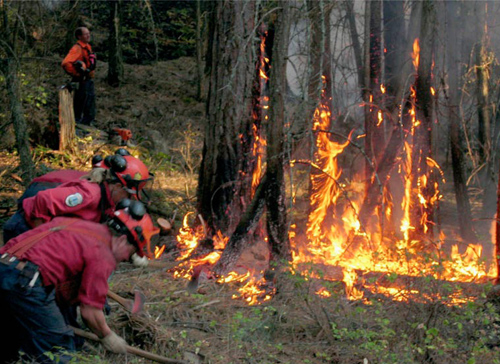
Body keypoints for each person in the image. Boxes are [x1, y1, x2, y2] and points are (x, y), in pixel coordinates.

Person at [0, 200, 159, 363]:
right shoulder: (104, 254)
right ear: (123, 240)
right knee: (58, 347)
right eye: (132, 251)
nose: (126, 258)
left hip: (5, 266)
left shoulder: (81, 225)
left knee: (13, 334)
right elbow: (90, 313)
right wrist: (108, 336)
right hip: (25, 283)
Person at [2, 154, 153, 246]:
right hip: (23, 229)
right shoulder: (89, 195)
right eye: (128, 195)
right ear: (118, 186)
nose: (129, 199)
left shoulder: (106, 197)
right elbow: (43, 200)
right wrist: (42, 237)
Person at [61, 26, 97, 126]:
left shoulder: (87, 47)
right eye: (85, 34)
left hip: (88, 80)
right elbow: (66, 63)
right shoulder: (77, 48)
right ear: (79, 36)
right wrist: (77, 74)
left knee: (89, 104)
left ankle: (87, 124)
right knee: (80, 103)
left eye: (88, 33)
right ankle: (78, 126)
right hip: (82, 80)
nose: (88, 35)